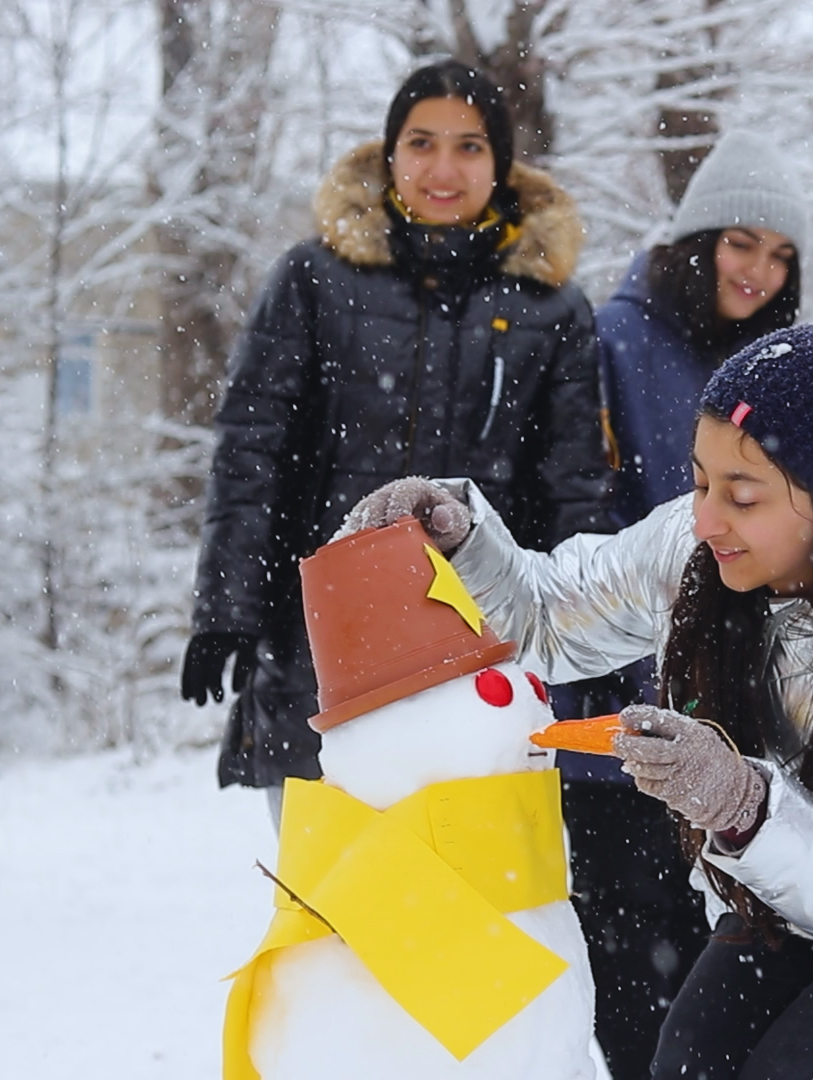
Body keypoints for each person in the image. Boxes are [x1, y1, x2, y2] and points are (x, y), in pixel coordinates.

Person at [342, 301, 813, 1080]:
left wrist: (741, 804)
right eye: (699, 480)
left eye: (743, 495)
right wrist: (459, 537)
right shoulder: (697, 551)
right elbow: (548, 619)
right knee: (688, 1064)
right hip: (778, 867)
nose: (705, 516)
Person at [179, 60, 610, 816]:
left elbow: (572, 488)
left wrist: (590, 637)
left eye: (470, 146)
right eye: (422, 143)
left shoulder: (551, 306)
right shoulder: (313, 281)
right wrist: (226, 611)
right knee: (331, 906)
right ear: (390, 155)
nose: (443, 168)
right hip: (325, 639)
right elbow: (252, 453)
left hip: (483, 647)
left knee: (471, 906)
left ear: (500, 163)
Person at [573, 130, 809, 1080]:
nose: (760, 269)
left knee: (740, 968)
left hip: (747, 723)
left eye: (782, 254)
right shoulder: (616, 340)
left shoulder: (787, 360)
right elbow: (587, 513)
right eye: (741, 242)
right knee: (637, 972)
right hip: (628, 711)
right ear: (696, 240)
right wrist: (656, 652)